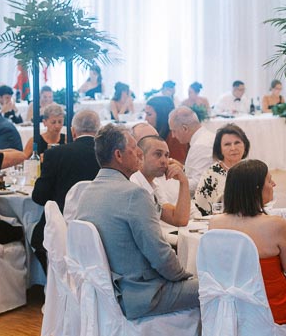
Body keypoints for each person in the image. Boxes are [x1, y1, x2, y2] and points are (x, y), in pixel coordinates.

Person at [79, 125, 198, 319]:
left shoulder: (86, 192)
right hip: (142, 293)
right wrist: (185, 275)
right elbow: (159, 255)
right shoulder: (134, 194)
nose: (139, 154)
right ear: (119, 155)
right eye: (134, 149)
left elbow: (178, 220)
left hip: (104, 292)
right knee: (216, 289)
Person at [210, 158, 286, 329]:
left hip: (233, 307)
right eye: (270, 181)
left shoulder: (215, 223)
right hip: (272, 309)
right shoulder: (276, 225)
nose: (274, 184)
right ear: (257, 188)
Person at [29, 109, 103, 269]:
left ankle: (57, 281)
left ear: (73, 131)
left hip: (62, 229)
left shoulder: (55, 154)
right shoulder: (107, 155)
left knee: (36, 237)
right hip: (100, 229)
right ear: (98, 131)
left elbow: (39, 197)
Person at [131, 135, 192, 228]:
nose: (164, 161)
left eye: (166, 155)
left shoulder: (153, 185)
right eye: (158, 154)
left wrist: (184, 182)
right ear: (140, 156)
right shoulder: (134, 186)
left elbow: (179, 220)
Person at [193, 124, 250, 216]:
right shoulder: (211, 174)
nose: (233, 148)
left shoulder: (251, 170)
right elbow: (200, 208)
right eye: (227, 144)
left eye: (237, 143)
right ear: (220, 149)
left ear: (245, 145)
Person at [168, 106, 215, 187]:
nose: (173, 136)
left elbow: (199, 185)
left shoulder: (201, 145)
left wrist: (168, 184)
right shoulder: (204, 137)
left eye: (174, 131)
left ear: (185, 128)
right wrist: (182, 169)